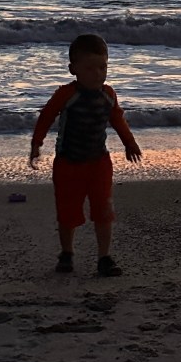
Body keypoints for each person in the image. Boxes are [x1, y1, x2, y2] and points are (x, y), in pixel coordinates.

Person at [29, 33, 142, 276]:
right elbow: (46, 117)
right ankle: (67, 253)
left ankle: (104, 257)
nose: (98, 74)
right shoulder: (66, 94)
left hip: (99, 162)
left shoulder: (108, 94)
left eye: (103, 67)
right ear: (74, 69)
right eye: (90, 68)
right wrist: (36, 144)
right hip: (68, 164)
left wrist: (129, 143)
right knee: (68, 211)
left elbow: (117, 120)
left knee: (103, 209)